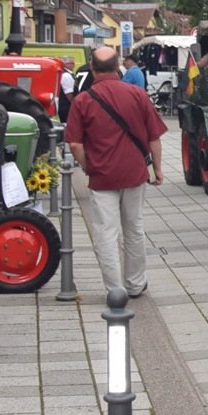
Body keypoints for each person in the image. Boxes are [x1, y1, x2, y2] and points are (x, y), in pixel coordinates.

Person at [64, 45, 167, 297]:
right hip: (134, 173)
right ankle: (135, 284)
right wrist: (158, 169)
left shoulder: (83, 100)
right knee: (134, 228)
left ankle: (114, 289)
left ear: (92, 67)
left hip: (102, 177)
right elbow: (154, 137)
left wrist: (89, 167)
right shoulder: (137, 94)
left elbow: (75, 144)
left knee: (105, 233)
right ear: (118, 64)